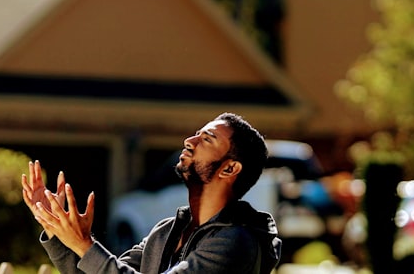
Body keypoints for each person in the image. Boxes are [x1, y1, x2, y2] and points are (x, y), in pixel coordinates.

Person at [21, 112, 282, 274]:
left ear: (229, 168)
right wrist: (55, 228)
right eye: (195, 134)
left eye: (207, 139)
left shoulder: (235, 242)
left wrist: (84, 244)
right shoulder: (165, 232)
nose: (189, 141)